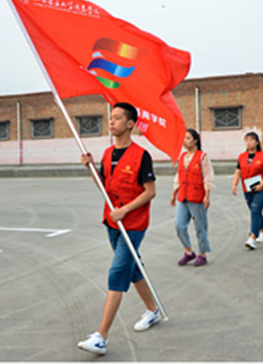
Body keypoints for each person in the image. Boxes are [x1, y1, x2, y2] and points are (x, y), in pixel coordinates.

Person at [78, 102, 159, 356]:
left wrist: (125, 210)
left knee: (117, 272)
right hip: (112, 221)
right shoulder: (107, 154)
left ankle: (101, 337)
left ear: (130, 124)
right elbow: (104, 186)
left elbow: (150, 192)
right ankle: (153, 310)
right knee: (132, 268)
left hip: (133, 224)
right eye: (110, 118)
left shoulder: (141, 155)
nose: (111, 122)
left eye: (117, 118)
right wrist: (90, 167)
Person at [170, 128, 214, 266]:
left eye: (188, 138)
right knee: (179, 225)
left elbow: (208, 177)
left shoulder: (202, 157)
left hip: (196, 200)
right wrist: (173, 194)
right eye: (184, 138)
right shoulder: (182, 157)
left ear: (195, 140)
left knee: (199, 226)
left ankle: (202, 254)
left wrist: (207, 196)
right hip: (183, 198)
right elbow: (179, 176)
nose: (185, 141)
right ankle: (188, 252)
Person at [232, 131, 263, 248]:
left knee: (255, 210)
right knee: (255, 211)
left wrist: (262, 185)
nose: (248, 143)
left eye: (251, 140)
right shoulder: (242, 156)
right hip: (247, 188)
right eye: (246, 140)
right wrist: (234, 185)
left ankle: (252, 237)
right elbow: (238, 171)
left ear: (257, 142)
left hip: (261, 188)